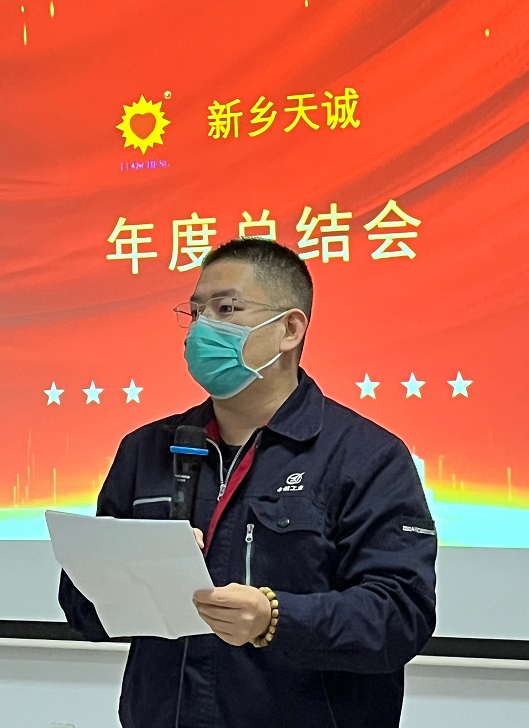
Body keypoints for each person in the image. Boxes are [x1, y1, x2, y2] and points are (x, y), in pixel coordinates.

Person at [59, 237, 437, 728]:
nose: (202, 329)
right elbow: (83, 608)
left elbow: (400, 616)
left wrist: (273, 618)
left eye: (226, 309)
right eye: (197, 312)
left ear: (289, 329)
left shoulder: (366, 456)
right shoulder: (146, 449)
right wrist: (123, 580)